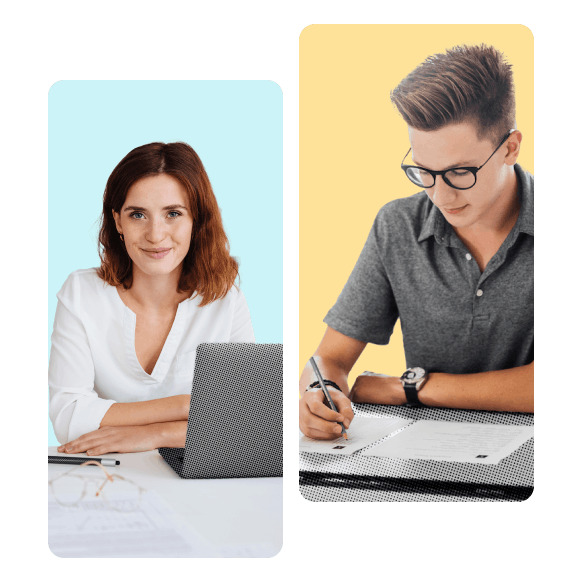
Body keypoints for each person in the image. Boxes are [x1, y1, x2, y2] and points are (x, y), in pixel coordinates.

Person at [299, 45, 534, 440]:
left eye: (460, 172)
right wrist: (318, 392)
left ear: (510, 147)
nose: (440, 197)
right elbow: (331, 358)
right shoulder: (397, 226)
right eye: (424, 171)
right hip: (423, 458)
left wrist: (409, 387)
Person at [49, 142, 255, 455]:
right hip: (105, 480)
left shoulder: (226, 301)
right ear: (118, 221)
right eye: (138, 215)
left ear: (196, 220)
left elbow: (247, 423)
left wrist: (157, 435)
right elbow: (68, 416)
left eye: (173, 213)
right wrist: (187, 406)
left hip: (198, 485)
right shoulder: (81, 293)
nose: (156, 235)